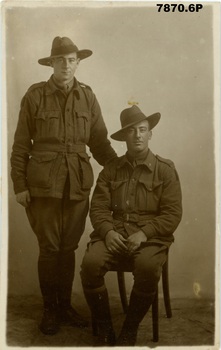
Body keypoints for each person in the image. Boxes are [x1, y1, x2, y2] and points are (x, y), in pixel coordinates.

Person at [10, 36, 117, 336]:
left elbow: (99, 142)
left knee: (68, 249)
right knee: (49, 249)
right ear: (51, 63)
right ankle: (49, 310)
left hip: (77, 184)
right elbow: (20, 146)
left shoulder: (87, 96)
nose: (66, 65)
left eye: (71, 60)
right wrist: (20, 184)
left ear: (78, 63)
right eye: (60, 60)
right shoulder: (35, 96)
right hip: (42, 185)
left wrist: (119, 169)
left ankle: (65, 306)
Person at [80, 104, 182, 346]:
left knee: (147, 267)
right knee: (90, 265)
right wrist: (107, 232)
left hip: (151, 238)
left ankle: (130, 329)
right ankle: (105, 327)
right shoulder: (111, 170)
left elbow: (172, 214)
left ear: (150, 134)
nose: (137, 135)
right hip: (114, 232)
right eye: (132, 131)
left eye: (142, 130)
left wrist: (145, 234)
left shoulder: (165, 170)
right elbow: (98, 208)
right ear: (124, 136)